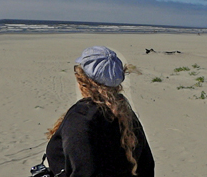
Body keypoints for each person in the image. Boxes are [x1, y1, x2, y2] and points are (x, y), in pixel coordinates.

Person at [44, 46, 154, 176]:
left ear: (82, 81)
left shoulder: (80, 117)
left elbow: (85, 171)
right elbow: (147, 166)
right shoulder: (125, 113)